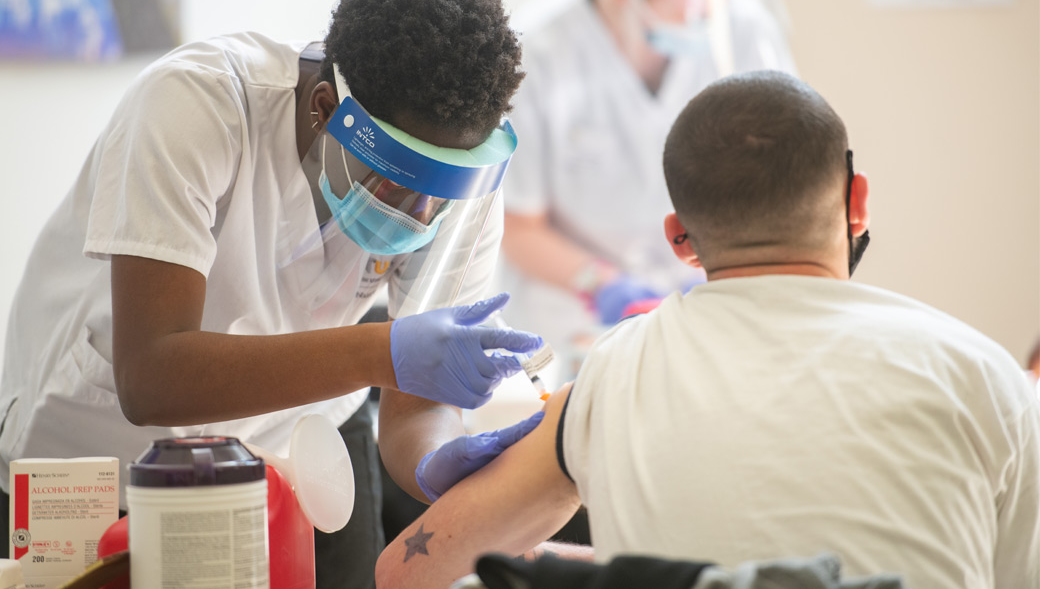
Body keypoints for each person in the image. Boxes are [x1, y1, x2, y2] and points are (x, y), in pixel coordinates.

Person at [374, 71, 1040, 589]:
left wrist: (613, 567)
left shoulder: (616, 374)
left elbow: (410, 572)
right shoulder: (986, 375)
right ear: (857, 201)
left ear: (679, 240)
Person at [0, 0, 544, 589]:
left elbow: (412, 405)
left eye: (440, 193)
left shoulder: (459, 178)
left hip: (297, 460)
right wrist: (381, 352)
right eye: (397, 181)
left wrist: (436, 464)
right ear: (323, 109)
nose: (422, 215)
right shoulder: (197, 104)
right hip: (97, 460)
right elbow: (150, 380)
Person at [498, 0, 797, 377]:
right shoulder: (539, 52)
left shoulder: (746, 29)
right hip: (571, 327)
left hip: (704, 312)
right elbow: (518, 225)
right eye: (693, 10)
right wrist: (604, 286)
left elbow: (777, 184)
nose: (711, 18)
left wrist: (726, 272)